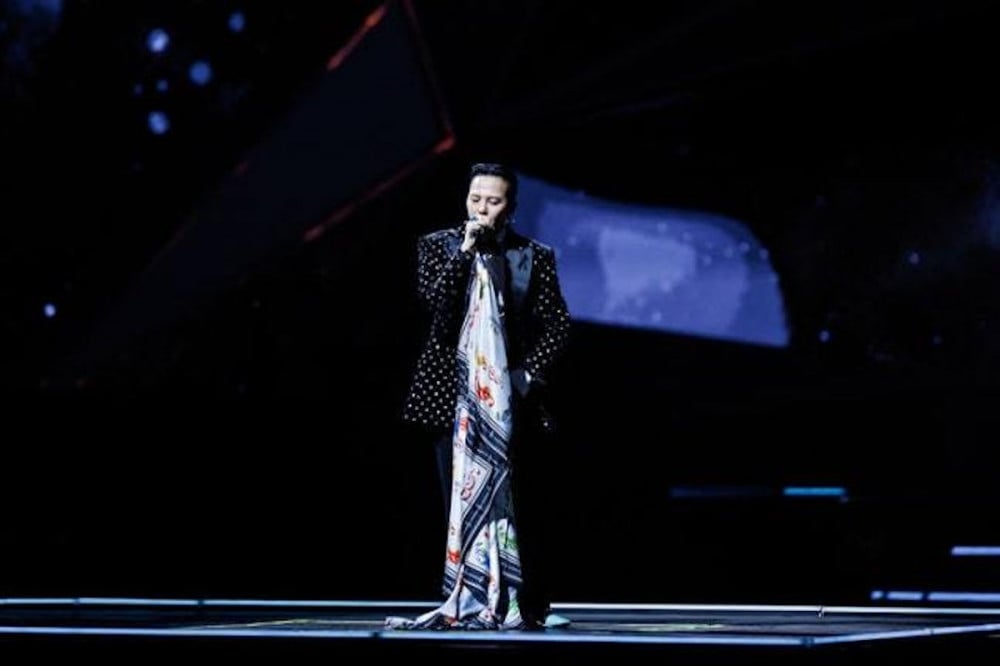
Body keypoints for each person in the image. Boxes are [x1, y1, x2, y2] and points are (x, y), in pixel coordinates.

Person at [388, 162, 571, 630]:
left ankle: (527, 604)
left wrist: (526, 377)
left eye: (493, 201)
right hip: (450, 394)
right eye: (475, 199)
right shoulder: (438, 246)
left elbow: (556, 323)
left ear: (510, 207)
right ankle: (464, 597)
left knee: (520, 500)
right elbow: (436, 308)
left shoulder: (533, 255)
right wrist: (465, 254)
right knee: (459, 498)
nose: (482, 209)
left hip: (509, 397)